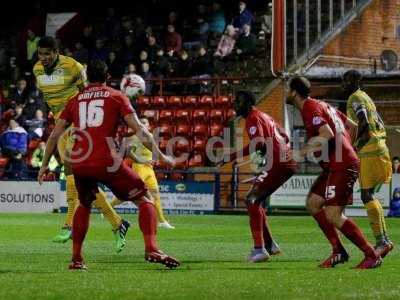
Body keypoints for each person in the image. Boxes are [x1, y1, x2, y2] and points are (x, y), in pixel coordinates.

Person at [37, 60, 180, 270]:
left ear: (87, 78)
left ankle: (76, 259)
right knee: (144, 199)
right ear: (107, 77)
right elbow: (139, 129)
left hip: (80, 162)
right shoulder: (116, 96)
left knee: (84, 205)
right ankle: (152, 248)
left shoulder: (75, 100)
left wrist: (43, 165)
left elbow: (55, 135)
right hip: (106, 159)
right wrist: (161, 154)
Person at [33, 36, 129, 252]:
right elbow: (49, 98)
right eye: (41, 53)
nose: (44, 58)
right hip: (60, 125)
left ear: (57, 52)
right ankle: (118, 224)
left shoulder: (73, 67)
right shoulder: (37, 70)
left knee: (74, 174)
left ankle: (68, 225)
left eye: (48, 53)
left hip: (77, 125)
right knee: (80, 180)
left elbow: (87, 93)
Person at [287, 76, 382, 269]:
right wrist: (347, 147)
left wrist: (301, 153)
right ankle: (338, 251)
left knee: (333, 214)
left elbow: (327, 133)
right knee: (313, 203)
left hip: (342, 165)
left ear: (294, 92)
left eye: (287, 90)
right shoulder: (323, 105)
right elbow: (353, 127)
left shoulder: (310, 108)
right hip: (336, 164)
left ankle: (371, 255)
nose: (286, 93)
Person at [226, 91, 297, 262]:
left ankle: (259, 250)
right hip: (287, 161)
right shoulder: (265, 116)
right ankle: (270, 245)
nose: (235, 105)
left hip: (277, 163)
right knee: (256, 200)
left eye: (238, 101)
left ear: (247, 104)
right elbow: (285, 137)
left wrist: (232, 156)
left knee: (252, 200)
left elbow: (258, 143)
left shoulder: (252, 118)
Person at [342, 70, 394, 257]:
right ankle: (384, 240)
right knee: (368, 195)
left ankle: (382, 241)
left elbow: (363, 123)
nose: (343, 84)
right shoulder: (366, 97)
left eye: (346, 80)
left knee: (366, 195)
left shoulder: (355, 98)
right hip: (380, 149)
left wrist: (354, 147)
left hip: (370, 151)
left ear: (356, 80)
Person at [111, 118, 175, 229]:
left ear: (149, 126)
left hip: (149, 169)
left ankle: (162, 221)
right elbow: (128, 152)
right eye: (141, 123)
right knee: (131, 193)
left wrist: (154, 159)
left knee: (155, 195)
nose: (143, 125)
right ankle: (108, 207)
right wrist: (141, 159)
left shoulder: (151, 137)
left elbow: (153, 153)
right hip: (139, 168)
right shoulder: (134, 138)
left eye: (145, 123)